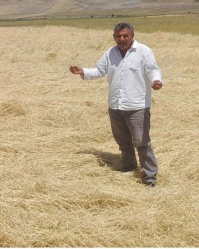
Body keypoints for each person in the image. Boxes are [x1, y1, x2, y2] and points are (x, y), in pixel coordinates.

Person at [69, 22, 163, 187]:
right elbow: (99, 70)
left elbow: (153, 69)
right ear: (114, 37)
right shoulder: (110, 53)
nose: (122, 39)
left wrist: (156, 80)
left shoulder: (144, 51)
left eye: (125, 35)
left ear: (132, 36)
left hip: (137, 106)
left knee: (141, 142)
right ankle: (128, 168)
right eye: (118, 36)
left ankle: (150, 178)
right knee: (123, 142)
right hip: (116, 106)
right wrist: (83, 71)